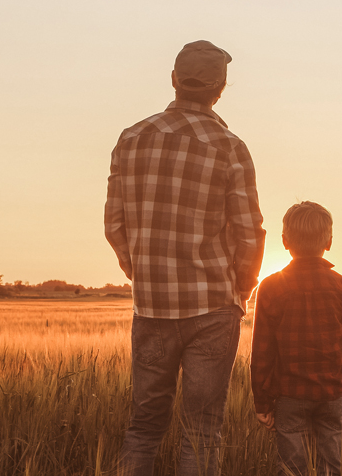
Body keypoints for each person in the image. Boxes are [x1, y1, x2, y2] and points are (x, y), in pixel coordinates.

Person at [105, 40, 266, 476]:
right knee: (202, 430)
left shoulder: (131, 139)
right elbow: (250, 232)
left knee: (143, 425)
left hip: (151, 307)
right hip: (213, 306)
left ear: (174, 80)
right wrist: (242, 288)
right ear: (221, 89)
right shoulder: (230, 147)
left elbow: (114, 225)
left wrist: (141, 273)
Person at [250, 201, 342, 476]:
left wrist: (262, 403)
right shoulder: (341, 285)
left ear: (284, 240)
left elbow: (261, 353)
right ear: (329, 241)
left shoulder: (270, 286)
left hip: (289, 396)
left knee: (292, 469)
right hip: (333, 395)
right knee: (330, 468)